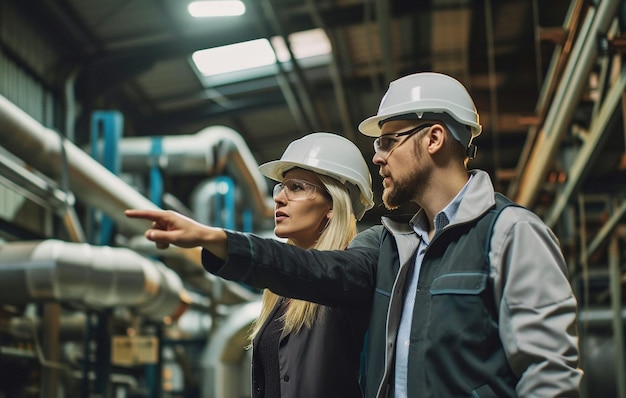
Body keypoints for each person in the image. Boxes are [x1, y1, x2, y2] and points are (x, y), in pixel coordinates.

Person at [126, 72, 583, 397]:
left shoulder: (511, 233)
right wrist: (220, 241)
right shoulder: (391, 246)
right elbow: (315, 268)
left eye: (388, 141)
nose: (379, 157)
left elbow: (549, 376)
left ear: (435, 138)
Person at [131, 132, 375, 398]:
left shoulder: (350, 277)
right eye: (281, 187)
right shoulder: (280, 295)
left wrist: (211, 236)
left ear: (333, 204)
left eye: (296, 187)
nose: (280, 198)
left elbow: (311, 270)